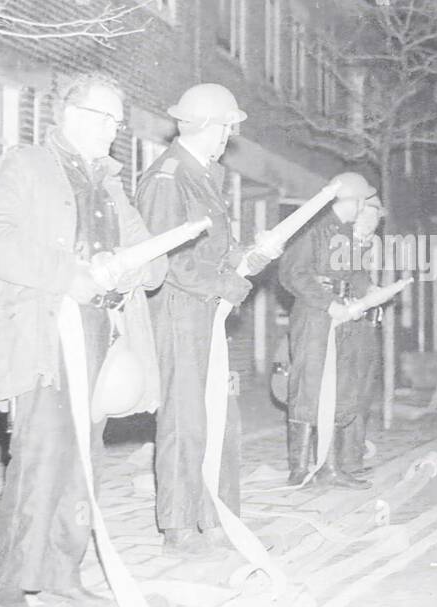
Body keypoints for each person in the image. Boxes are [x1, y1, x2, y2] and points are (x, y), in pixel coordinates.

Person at [0, 71, 164, 607]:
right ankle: (10, 580)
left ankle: (62, 572)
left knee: (84, 457)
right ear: (72, 115)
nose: (115, 130)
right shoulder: (25, 165)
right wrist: (66, 274)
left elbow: (152, 264)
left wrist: (128, 269)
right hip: (44, 334)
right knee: (42, 452)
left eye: (119, 121)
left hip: (99, 336)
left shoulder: (110, 183)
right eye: (106, 118)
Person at [136, 83, 273, 555]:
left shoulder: (202, 175)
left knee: (216, 414)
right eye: (225, 128)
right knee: (184, 416)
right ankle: (178, 525)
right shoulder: (168, 178)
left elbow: (210, 249)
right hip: (177, 310)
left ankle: (212, 516)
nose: (227, 138)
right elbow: (166, 260)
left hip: (203, 310)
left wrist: (249, 255)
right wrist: (226, 285)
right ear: (203, 126)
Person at [278, 173, 378, 490]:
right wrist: (327, 303)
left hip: (343, 315)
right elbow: (293, 274)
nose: (364, 207)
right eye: (363, 200)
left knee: (338, 389)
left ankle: (329, 467)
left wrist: (370, 294)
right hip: (314, 315)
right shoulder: (312, 228)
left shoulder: (347, 235)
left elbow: (356, 273)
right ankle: (299, 468)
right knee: (309, 386)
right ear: (352, 200)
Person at [338, 192, 386, 476]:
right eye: (367, 216)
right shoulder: (342, 247)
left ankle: (352, 458)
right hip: (348, 329)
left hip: (367, 326)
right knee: (348, 393)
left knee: (363, 394)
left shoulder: (368, 249)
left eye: (376, 219)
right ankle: (340, 459)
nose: (372, 223)